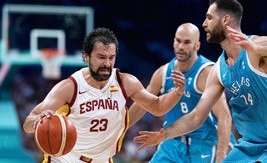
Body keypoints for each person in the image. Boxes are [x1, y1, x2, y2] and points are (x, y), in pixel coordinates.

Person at [134, 0, 267, 162]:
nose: (204, 24)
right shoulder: (218, 69)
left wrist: (256, 48)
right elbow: (196, 116)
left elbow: (262, 45)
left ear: (225, 20)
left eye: (209, 18)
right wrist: (163, 135)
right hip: (249, 145)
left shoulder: (256, 48)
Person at [23, 27, 185, 163]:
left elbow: (157, 107)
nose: (107, 63)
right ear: (86, 56)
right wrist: (39, 120)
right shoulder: (69, 87)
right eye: (101, 57)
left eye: (111, 57)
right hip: (66, 159)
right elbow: (28, 123)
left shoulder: (125, 83)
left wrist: (176, 93)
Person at [129, 23, 233, 163]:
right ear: (173, 42)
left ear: (197, 45)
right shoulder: (163, 73)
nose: (181, 46)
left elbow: (224, 117)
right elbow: (142, 104)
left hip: (204, 143)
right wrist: (119, 129)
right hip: (172, 143)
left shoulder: (207, 73)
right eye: (178, 41)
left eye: (187, 42)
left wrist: (221, 155)